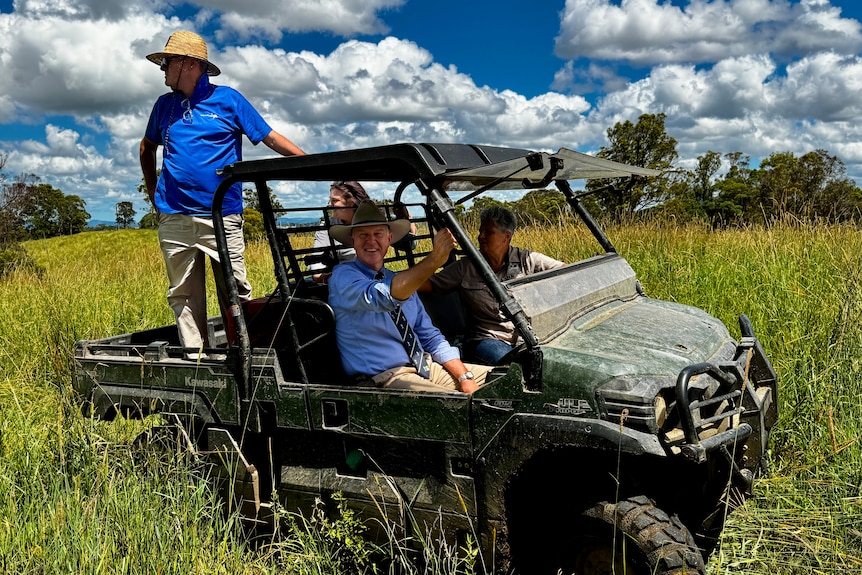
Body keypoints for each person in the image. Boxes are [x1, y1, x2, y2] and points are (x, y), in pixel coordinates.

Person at [139, 30, 305, 354]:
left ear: (188, 64)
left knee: (235, 291)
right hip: (174, 216)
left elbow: (270, 137)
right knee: (183, 295)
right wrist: (152, 194)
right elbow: (147, 148)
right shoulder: (164, 107)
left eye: (167, 61)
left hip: (222, 215)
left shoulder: (228, 100)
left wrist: (314, 164)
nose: (162, 67)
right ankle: (197, 363)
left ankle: (242, 355)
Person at [327, 201, 491, 393]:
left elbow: (430, 336)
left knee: (504, 381)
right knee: (464, 406)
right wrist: (434, 261)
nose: (371, 241)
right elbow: (384, 297)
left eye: (378, 234)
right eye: (363, 235)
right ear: (352, 241)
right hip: (384, 377)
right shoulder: (343, 276)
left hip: (425, 367)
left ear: (389, 239)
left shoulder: (398, 280)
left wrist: (464, 377)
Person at [420, 205, 564, 364]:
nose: (480, 236)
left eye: (488, 232)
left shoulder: (527, 260)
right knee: (514, 367)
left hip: (528, 337)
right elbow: (428, 284)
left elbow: (566, 272)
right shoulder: (466, 267)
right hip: (487, 338)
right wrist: (433, 260)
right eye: (480, 231)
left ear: (506, 236)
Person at [310, 181, 417, 284]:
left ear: (351, 203)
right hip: (346, 283)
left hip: (376, 279)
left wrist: (407, 219)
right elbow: (317, 272)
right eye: (363, 235)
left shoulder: (373, 220)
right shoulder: (327, 227)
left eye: (334, 200)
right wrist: (341, 277)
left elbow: (409, 245)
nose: (329, 204)